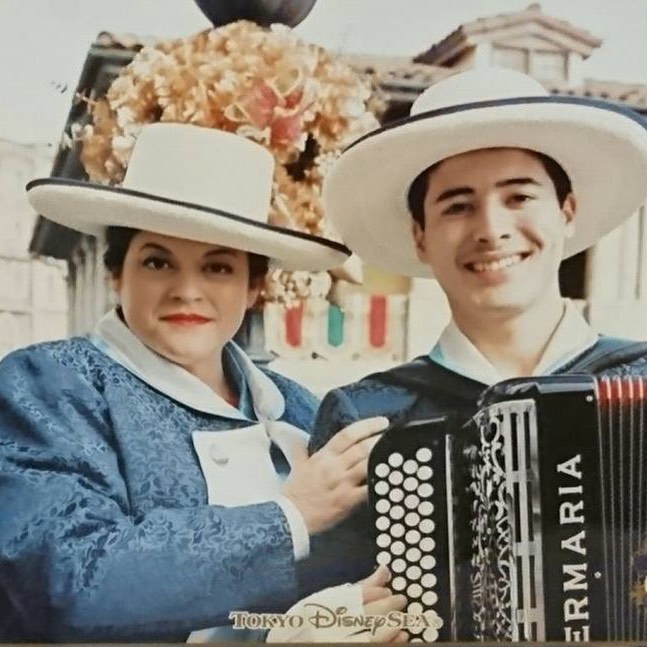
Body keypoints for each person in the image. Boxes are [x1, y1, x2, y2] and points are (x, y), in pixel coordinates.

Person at [0, 123, 407, 642]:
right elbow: (66, 581)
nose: (187, 290)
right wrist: (291, 516)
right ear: (116, 274)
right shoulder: (51, 384)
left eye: (218, 267)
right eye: (157, 262)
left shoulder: (298, 408)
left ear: (254, 287)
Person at [299, 67, 647, 593]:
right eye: (458, 206)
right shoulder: (368, 416)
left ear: (567, 212)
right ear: (420, 236)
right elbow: (324, 606)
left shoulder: (637, 379)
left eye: (519, 197)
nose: (491, 229)